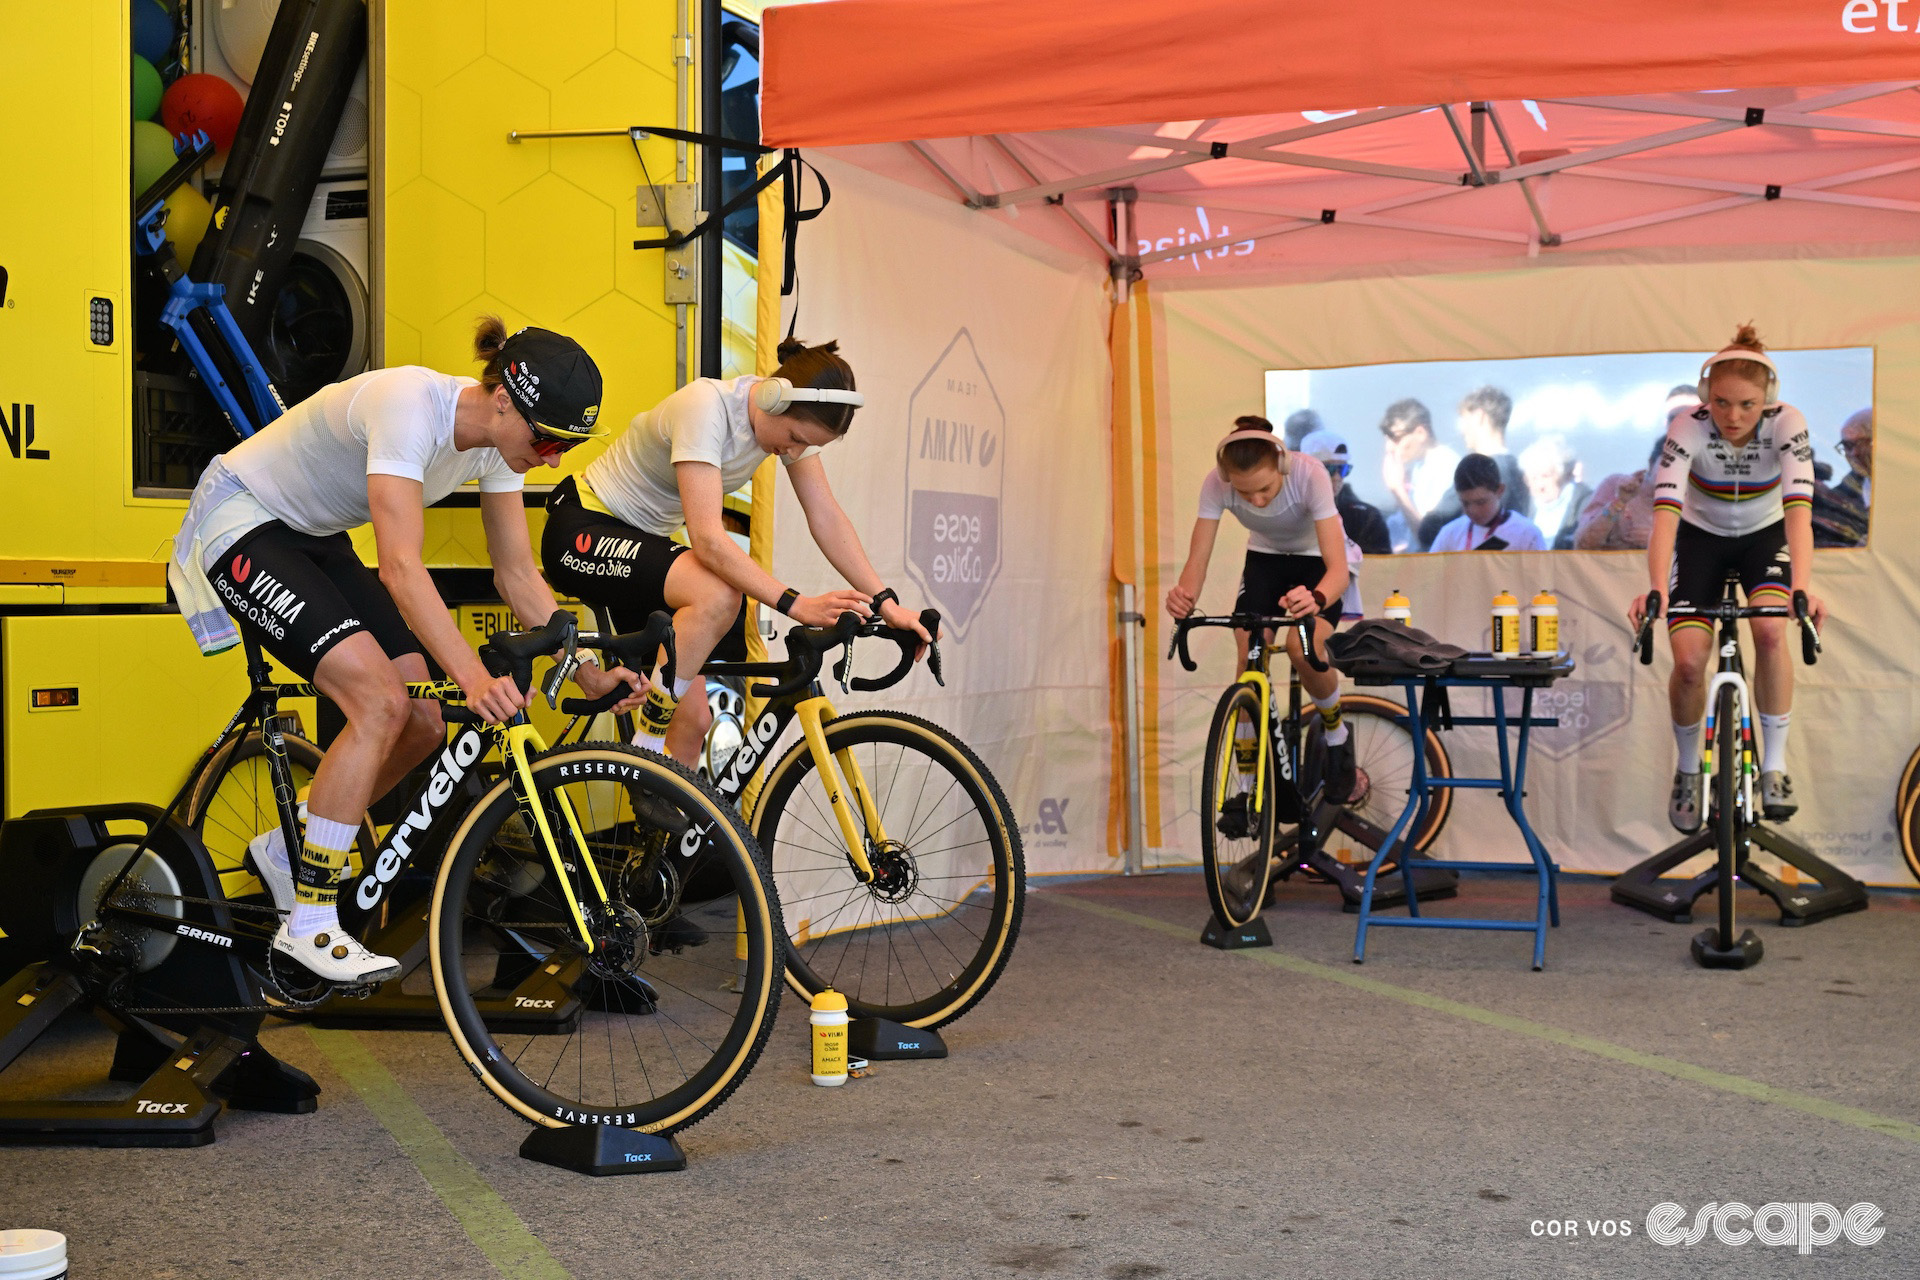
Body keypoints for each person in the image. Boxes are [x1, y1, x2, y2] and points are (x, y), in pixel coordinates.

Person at [167, 319, 643, 984]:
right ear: (505, 399)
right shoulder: (410, 406)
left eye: (567, 446)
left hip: (313, 532)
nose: (554, 458)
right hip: (242, 520)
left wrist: (589, 672)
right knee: (380, 703)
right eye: (548, 439)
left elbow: (515, 576)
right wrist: (474, 677)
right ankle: (309, 923)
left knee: (422, 721)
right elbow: (399, 568)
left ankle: (289, 847)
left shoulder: (498, 450)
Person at [542, 337, 933, 767]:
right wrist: (795, 604)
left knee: (692, 724)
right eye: (796, 438)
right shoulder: (706, 407)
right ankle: (644, 759)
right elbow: (707, 539)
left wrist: (886, 601)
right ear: (773, 397)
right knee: (718, 593)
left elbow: (826, 516)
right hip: (584, 527)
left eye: (808, 446)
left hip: (641, 550)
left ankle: (663, 818)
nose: (795, 452)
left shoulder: (784, 424)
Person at [1627, 325, 1824, 832]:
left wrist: (1801, 585)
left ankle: (1774, 766)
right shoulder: (1686, 429)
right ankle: (1689, 768)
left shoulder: (1789, 423)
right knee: (1691, 662)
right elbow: (1665, 518)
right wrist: (1654, 588)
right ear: (1703, 397)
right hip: (1700, 538)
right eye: (1720, 403)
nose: (1733, 416)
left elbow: (1799, 514)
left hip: (1765, 536)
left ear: (1770, 400)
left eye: (1747, 405)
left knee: (1771, 631)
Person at [1166, 416, 1356, 802]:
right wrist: (1183, 597)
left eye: (1265, 489)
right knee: (1249, 658)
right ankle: (1246, 787)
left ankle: (1336, 732)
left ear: (1282, 467)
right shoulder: (1215, 484)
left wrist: (1316, 598)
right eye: (1244, 492)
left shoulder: (1309, 474)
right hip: (1266, 560)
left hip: (1318, 561)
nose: (1255, 501)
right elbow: (1197, 559)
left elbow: (1337, 569)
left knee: (1301, 650)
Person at [1377, 398, 1461, 552]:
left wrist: (1398, 491)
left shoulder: (1445, 466)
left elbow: (1430, 538)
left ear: (1421, 433)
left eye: (1395, 438)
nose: (1389, 447)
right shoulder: (1420, 466)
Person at [1425, 453, 1548, 552]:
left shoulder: (1526, 534)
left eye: (1481, 502)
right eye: (1465, 503)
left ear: (1500, 491)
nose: (1473, 511)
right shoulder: (1450, 534)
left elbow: (1540, 581)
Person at [1301, 427, 1391, 555]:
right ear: (1305, 470)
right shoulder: (1287, 513)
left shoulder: (1365, 518)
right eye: (1329, 469)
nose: (1337, 477)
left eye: (1343, 469)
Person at [1456, 386, 1531, 518]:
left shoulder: (1473, 473)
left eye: (1464, 418)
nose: (1462, 429)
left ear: (1479, 417)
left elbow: (1428, 529)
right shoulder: (1519, 470)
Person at [1519, 435, 1590, 550]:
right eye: (1533, 478)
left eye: (1545, 476)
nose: (1539, 486)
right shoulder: (1524, 507)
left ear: (1561, 475)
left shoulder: (1584, 502)